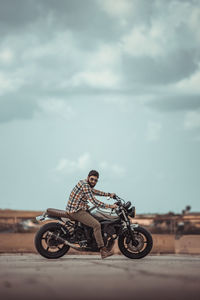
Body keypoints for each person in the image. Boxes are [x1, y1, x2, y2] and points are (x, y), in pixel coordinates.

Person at [66, 170, 117, 259]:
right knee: (97, 225)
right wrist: (110, 206)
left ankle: (92, 240)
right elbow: (94, 201)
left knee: (98, 218)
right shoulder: (85, 185)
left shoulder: (85, 184)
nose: (93, 181)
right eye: (92, 179)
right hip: (76, 211)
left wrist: (109, 194)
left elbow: (95, 192)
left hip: (80, 208)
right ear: (88, 177)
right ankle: (103, 250)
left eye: (95, 180)